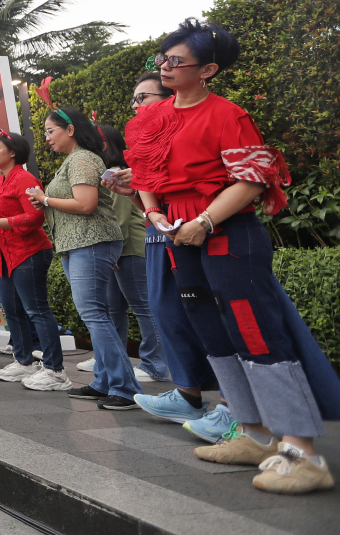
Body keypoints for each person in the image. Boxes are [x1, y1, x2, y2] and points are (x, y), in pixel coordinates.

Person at [127, 20, 340, 494]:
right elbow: (145, 172)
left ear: (208, 70)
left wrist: (203, 222)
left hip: (226, 233)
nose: (164, 66)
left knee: (257, 332)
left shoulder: (228, 114)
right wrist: (153, 210)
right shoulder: (154, 117)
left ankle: (302, 452)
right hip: (177, 235)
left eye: (175, 60)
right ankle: (253, 433)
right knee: (213, 332)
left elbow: (251, 181)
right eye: (161, 59)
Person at [112, 72, 232, 438]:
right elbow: (151, 194)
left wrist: (204, 219)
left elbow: (237, 180)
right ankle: (187, 392)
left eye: (142, 97)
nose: (135, 106)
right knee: (168, 311)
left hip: (201, 229)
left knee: (216, 316)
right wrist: (135, 194)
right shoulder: (149, 141)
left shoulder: (215, 120)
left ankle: (236, 406)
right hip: (161, 232)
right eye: (133, 99)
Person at [29, 106, 141, 409]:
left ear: (70, 130)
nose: (47, 137)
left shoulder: (81, 158)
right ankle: (105, 381)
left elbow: (86, 204)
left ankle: (125, 387)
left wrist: (45, 199)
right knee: (96, 312)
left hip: (90, 243)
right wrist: (47, 205)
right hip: (79, 244)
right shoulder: (74, 160)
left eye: (50, 131)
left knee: (93, 312)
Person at [0, 129, 67, 389]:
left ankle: (55, 370)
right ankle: (24, 362)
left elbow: (36, 217)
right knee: (12, 310)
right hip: (5, 255)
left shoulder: (25, 179)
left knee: (36, 310)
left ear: (13, 153)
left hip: (29, 252)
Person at [87, 124, 167, 384]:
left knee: (143, 306)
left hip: (129, 247)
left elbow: (120, 218)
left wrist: (113, 249)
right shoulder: (109, 174)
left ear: (105, 146)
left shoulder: (119, 174)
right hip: (118, 249)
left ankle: (156, 364)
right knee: (113, 309)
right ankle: (112, 358)